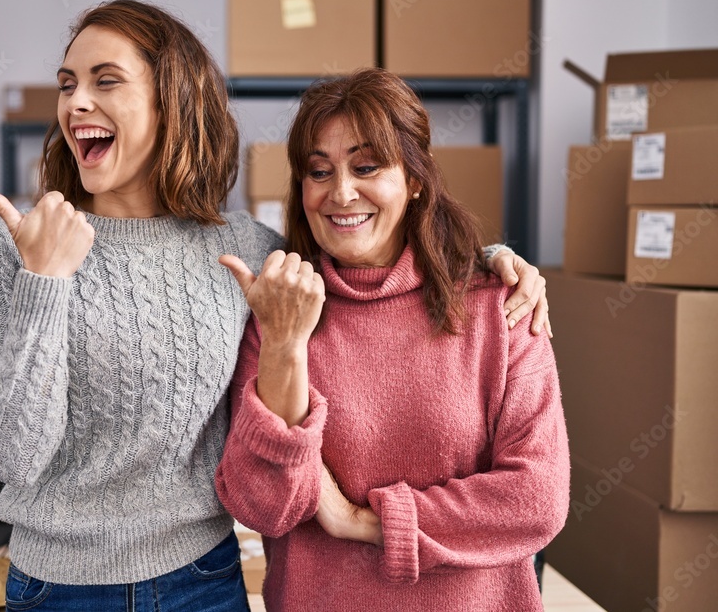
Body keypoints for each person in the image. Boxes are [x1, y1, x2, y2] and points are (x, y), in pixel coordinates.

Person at [0, 0, 550, 611]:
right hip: (57, 589)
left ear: (173, 101)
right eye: (68, 85)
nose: (75, 103)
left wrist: (488, 260)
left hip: (201, 583)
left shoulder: (245, 250)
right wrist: (44, 283)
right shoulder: (18, 246)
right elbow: (13, 455)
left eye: (104, 80)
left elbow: (362, 258)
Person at [215, 68, 569, 612]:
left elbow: (537, 499)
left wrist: (367, 521)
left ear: (416, 178)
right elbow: (261, 506)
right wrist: (286, 344)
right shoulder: (282, 313)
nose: (340, 193)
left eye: (366, 166)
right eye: (318, 171)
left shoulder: (500, 304)